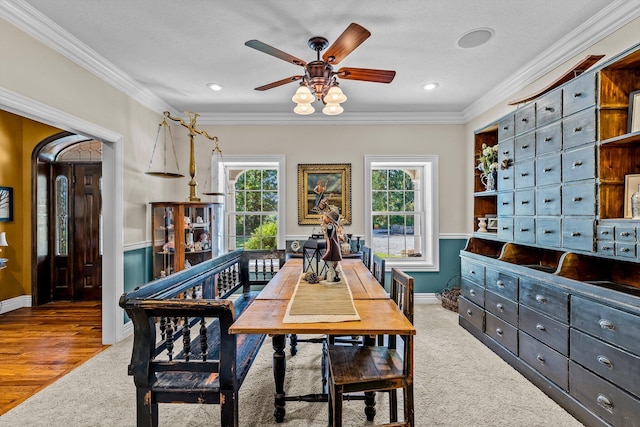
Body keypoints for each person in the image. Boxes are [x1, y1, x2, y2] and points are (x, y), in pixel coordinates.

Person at [321, 210, 343, 282]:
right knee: (333, 262)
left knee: (332, 260)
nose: (324, 218)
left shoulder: (330, 226)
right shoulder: (332, 226)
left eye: (326, 217)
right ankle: (333, 273)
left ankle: (331, 274)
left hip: (332, 247)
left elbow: (329, 236)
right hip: (334, 245)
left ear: (330, 219)